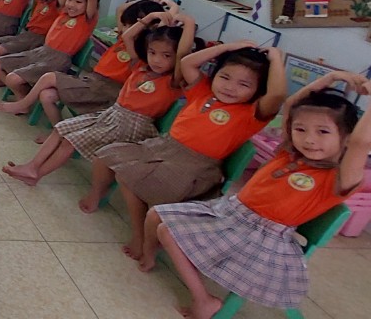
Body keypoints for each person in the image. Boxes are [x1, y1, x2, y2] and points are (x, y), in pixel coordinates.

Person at [141, 72, 369, 319]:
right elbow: (291, 105)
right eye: (300, 129)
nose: (309, 139)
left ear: (346, 138)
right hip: (231, 213)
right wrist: (331, 77)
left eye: (323, 132)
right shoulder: (290, 154)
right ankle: (149, 255)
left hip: (260, 237)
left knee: (167, 231)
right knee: (155, 215)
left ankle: (203, 300)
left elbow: (361, 142)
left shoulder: (338, 178)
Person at [98, 40, 287, 262]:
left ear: (258, 91)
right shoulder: (203, 91)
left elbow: (277, 95)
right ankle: (136, 225)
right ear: (215, 75)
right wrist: (225, 48)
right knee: (112, 158)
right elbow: (187, 62)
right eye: (225, 77)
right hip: (162, 149)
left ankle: (142, 237)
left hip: (194, 169)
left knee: (129, 177)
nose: (230, 87)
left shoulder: (252, 113)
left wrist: (276, 58)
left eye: (243, 84)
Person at [2, 12, 194, 212]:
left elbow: (183, 54)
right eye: (152, 52)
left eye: (166, 56)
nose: (157, 59)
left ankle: (37, 174)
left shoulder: (173, 80)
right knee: (61, 128)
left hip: (133, 125)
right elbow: (128, 36)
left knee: (71, 140)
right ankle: (32, 167)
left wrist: (188, 22)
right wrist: (151, 17)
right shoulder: (140, 65)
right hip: (112, 114)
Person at [0, 0, 167, 126]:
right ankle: (59, 131)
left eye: (136, 25)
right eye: (128, 25)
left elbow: (139, 34)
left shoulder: (141, 52)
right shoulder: (123, 39)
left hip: (106, 91)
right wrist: (150, 2)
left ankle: (23, 104)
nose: (127, 29)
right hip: (91, 82)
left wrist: (159, 16)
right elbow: (121, 9)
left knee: (49, 77)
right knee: (46, 96)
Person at [0, 0, 104, 98]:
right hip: (42, 51)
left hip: (57, 58)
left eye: (78, 2)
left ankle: (22, 98)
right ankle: (22, 91)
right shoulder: (64, 12)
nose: (71, 4)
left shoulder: (87, 18)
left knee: (13, 78)